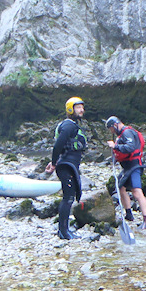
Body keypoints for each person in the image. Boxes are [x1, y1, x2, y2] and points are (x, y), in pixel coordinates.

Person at [45, 97, 87, 239]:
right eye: (78, 107)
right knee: (68, 197)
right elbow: (58, 145)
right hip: (65, 165)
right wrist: (54, 163)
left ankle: (65, 229)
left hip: (69, 165)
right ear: (70, 109)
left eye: (82, 107)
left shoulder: (72, 126)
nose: (81, 110)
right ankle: (63, 231)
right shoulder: (68, 125)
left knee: (70, 196)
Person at [105, 116, 146, 229]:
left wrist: (115, 146)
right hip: (127, 167)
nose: (111, 131)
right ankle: (129, 214)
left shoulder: (127, 133)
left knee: (136, 191)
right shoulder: (122, 135)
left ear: (115, 125)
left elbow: (130, 147)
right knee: (120, 187)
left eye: (111, 128)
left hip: (134, 166)